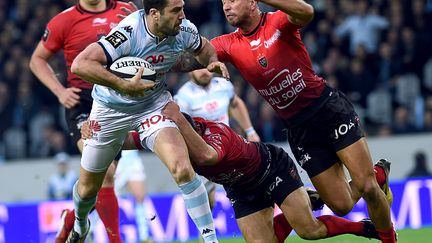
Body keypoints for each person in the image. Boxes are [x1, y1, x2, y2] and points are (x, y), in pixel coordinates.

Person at [206, 0, 396, 242]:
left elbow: (307, 12)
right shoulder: (229, 43)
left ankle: (389, 236)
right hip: (299, 129)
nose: (226, 6)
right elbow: (196, 52)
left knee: (367, 187)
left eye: (232, 0)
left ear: (252, 2)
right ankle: (378, 174)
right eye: (223, 2)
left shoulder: (276, 22)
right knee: (341, 205)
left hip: (328, 110)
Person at [82, 101, 381, 242]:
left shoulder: (214, 136)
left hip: (270, 168)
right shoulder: (175, 141)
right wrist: (95, 134)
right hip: (241, 189)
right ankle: (298, 205)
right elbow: (131, 140)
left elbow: (208, 157)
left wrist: (178, 121)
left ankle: (366, 216)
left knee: (309, 231)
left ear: (187, 129)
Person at [67, 0, 229, 241]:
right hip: (110, 110)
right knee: (88, 189)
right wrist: (122, 84)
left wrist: (212, 60)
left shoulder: (184, 29)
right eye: (176, 11)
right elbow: (81, 64)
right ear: (154, 14)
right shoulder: (128, 32)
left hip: (153, 105)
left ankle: (210, 239)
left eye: (182, 8)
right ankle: (80, 223)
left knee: (182, 169)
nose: (182, 16)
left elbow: (204, 48)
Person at [29, 1, 137, 242]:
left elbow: (147, 46)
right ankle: (114, 239)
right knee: (106, 172)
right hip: (83, 104)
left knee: (94, 182)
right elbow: (37, 60)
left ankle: (70, 219)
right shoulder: (63, 21)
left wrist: (142, 25)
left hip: (115, 102)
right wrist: (59, 91)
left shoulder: (125, 10)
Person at [174, 68, 260, 211]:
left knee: (247, 184)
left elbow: (235, 104)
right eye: (198, 68)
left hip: (229, 147)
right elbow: (181, 127)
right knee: (208, 202)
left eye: (206, 67)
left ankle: (259, 216)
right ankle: (206, 231)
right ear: (190, 71)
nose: (204, 71)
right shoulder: (183, 97)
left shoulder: (224, 85)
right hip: (203, 153)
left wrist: (250, 131)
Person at [116, 150, 152, 243]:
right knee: (106, 198)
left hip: (132, 157)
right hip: (115, 156)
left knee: (140, 197)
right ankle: (91, 230)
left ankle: (144, 236)